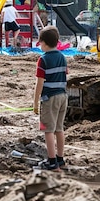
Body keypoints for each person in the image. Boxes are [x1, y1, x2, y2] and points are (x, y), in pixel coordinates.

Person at [33, 25, 68, 171]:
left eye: (40, 42)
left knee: (48, 130)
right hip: (63, 97)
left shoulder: (43, 59)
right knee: (59, 129)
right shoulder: (62, 57)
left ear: (44, 43)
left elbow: (39, 83)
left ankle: (52, 162)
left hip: (49, 99)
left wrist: (35, 102)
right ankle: (60, 159)